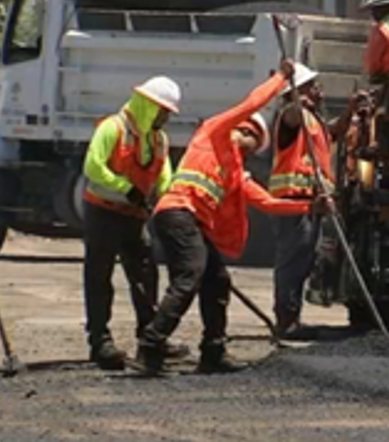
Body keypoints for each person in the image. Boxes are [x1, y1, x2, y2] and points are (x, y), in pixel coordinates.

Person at [140, 62, 338, 376]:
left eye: (254, 144)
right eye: (250, 138)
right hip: (176, 212)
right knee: (189, 276)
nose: (248, 146)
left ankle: (213, 351)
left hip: (193, 223)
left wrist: (310, 209)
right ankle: (151, 345)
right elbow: (252, 103)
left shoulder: (235, 173)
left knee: (218, 282)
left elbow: (268, 203)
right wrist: (281, 79)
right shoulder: (213, 133)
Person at [75, 77, 186, 370]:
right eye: (163, 111)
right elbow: (93, 166)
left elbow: (165, 177)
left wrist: (165, 202)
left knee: (145, 276)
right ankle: (100, 342)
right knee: (99, 276)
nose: (165, 117)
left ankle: (150, 338)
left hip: (134, 216)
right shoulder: (113, 128)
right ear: (147, 105)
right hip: (103, 213)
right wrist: (126, 188)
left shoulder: (158, 139)